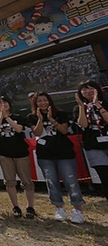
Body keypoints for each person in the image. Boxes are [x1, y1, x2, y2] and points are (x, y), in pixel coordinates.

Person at [28, 92, 85, 223]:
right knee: (51, 181)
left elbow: (64, 131)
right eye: (39, 101)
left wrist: (51, 119)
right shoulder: (32, 116)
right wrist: (41, 120)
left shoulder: (61, 114)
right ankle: (59, 208)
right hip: (45, 155)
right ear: (35, 103)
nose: (43, 103)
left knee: (70, 181)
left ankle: (77, 209)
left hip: (64, 153)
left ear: (50, 101)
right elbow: (37, 132)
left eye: (45, 100)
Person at [0, 96, 35, 218]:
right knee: (10, 181)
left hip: (20, 152)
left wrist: (7, 118)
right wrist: (1, 117)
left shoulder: (18, 117)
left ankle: (30, 207)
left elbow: (19, 129)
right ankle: (15, 207)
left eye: (4, 102)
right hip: (4, 153)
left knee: (26, 181)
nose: (3, 105)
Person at [75, 80, 108, 200]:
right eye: (84, 89)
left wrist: (97, 104)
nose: (88, 91)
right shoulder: (79, 108)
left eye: (90, 88)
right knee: (105, 177)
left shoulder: (105, 102)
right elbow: (83, 125)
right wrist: (80, 107)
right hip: (93, 146)